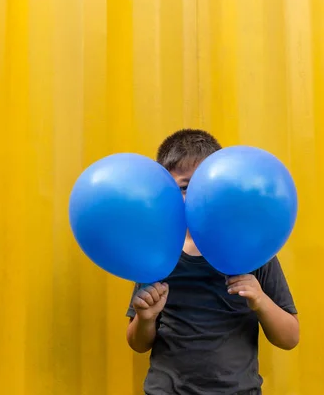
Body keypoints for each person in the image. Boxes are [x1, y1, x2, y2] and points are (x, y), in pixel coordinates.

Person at [126, 129, 299, 395]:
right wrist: (146, 318)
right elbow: (138, 343)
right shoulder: (159, 252)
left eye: (204, 186)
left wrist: (260, 300)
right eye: (184, 188)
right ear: (166, 193)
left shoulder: (254, 250)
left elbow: (290, 338)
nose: (195, 196)